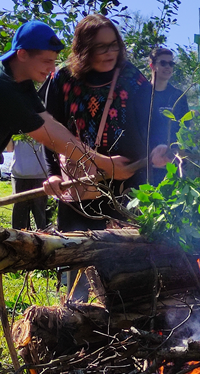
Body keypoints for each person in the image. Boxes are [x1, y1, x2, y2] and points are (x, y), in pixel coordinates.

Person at [0, 20, 144, 370]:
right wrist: (106, 165)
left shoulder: (20, 81)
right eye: (45, 61)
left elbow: (54, 125)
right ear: (22, 54)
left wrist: (100, 162)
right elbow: (49, 137)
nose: (51, 68)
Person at [42, 14, 162, 234]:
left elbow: (154, 123)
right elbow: (50, 130)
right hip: (78, 183)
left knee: (126, 257)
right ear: (84, 48)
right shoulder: (63, 79)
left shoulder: (132, 78)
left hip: (127, 182)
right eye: (101, 47)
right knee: (76, 251)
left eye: (114, 45)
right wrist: (53, 174)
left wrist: (159, 148)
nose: (110, 52)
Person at [149, 47, 189, 183]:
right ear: (152, 65)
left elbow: (185, 128)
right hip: (147, 163)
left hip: (172, 162)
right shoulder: (142, 93)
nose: (168, 67)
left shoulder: (178, 96)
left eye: (171, 64)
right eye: (163, 63)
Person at [10, 137, 49, 230]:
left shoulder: (43, 124)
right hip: (20, 174)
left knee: (40, 215)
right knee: (20, 217)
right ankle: (18, 241)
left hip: (39, 174)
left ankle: (43, 240)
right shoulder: (14, 127)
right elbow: (9, 148)